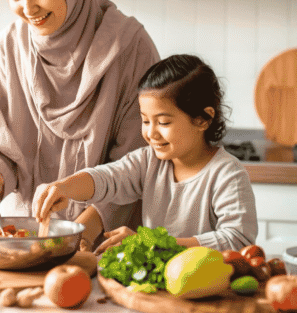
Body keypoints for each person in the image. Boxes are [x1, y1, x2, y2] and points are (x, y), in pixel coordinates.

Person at [0, 0, 161, 251]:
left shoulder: (129, 47)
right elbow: (5, 145)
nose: (29, 8)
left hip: (103, 239)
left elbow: (138, 159)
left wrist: (81, 231)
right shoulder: (7, 49)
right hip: (23, 237)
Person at [32, 54, 258, 254]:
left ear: (203, 119)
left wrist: (152, 244)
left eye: (163, 122)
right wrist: (63, 187)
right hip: (155, 288)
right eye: (145, 120)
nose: (151, 133)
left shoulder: (228, 174)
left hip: (206, 295)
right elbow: (108, 178)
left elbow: (237, 240)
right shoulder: (148, 161)